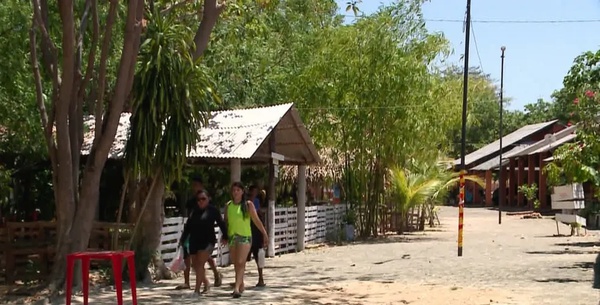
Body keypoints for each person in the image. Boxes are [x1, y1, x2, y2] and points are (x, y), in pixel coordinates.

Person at [176, 176, 222, 290]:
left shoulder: (209, 203)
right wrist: (183, 238)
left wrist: (225, 235)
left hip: (207, 238)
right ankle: (203, 282)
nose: (200, 201)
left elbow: (220, 221)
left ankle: (201, 286)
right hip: (193, 235)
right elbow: (189, 220)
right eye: (193, 185)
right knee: (195, 263)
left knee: (203, 260)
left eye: (196, 185)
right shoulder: (191, 202)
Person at [225, 182, 268, 298]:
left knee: (240, 261)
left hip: (245, 236)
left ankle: (236, 288)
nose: (235, 192)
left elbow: (256, 220)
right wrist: (224, 236)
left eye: (238, 190)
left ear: (242, 192)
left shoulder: (248, 205)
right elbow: (226, 223)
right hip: (232, 236)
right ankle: (241, 283)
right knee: (235, 263)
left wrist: (264, 233)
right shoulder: (228, 205)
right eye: (234, 190)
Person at [246, 185, 266, 287]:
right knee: (243, 257)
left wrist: (263, 233)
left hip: (256, 232)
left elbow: (258, 217)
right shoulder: (246, 203)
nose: (254, 193)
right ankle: (239, 279)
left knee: (259, 256)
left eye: (256, 191)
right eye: (253, 191)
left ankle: (261, 278)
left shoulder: (256, 202)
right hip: (247, 230)